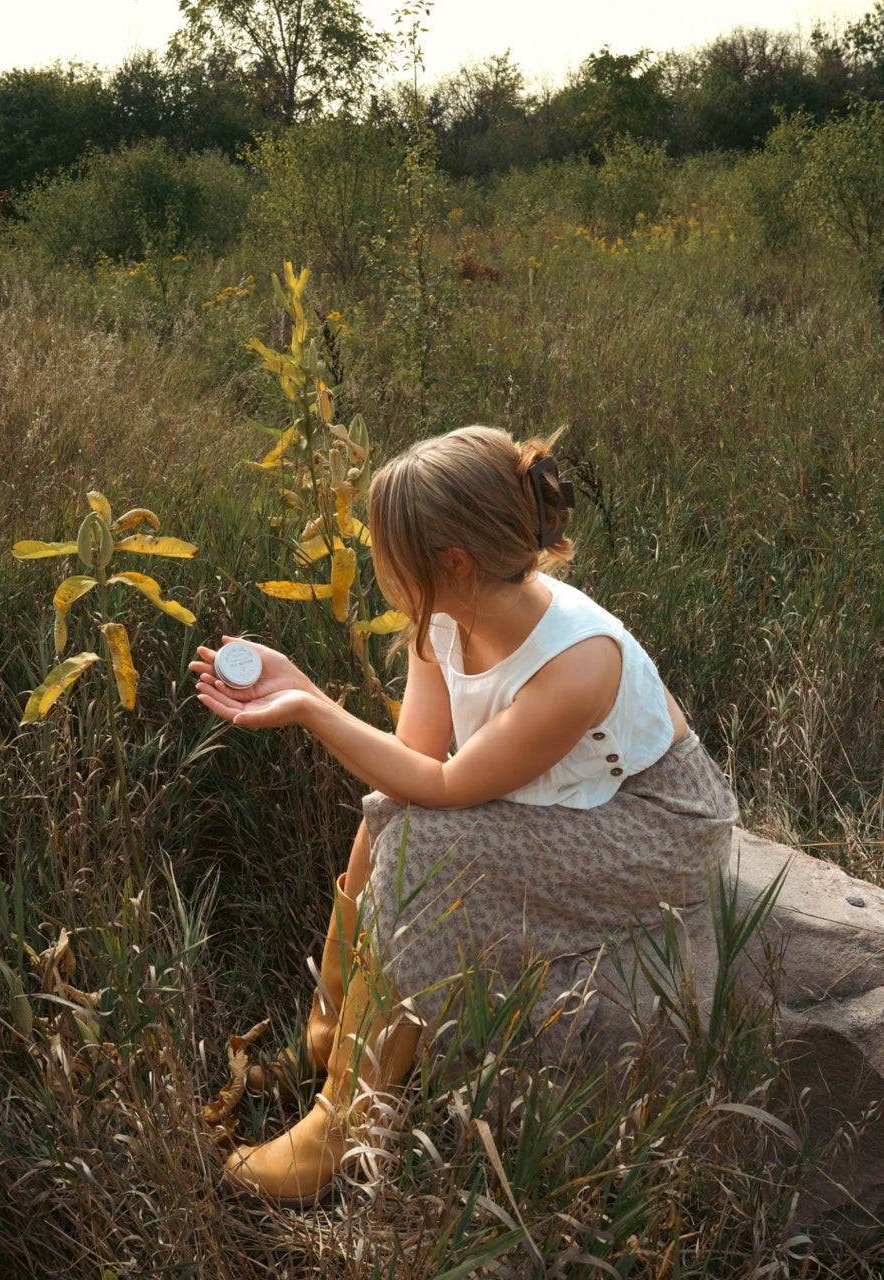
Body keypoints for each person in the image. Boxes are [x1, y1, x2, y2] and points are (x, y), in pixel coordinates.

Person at [191, 425, 738, 1205]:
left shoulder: (578, 661)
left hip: (651, 822)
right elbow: (412, 765)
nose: (382, 570)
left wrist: (311, 707)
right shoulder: (442, 618)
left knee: (422, 846)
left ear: (452, 563)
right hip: (573, 796)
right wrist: (303, 690)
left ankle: (342, 1126)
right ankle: (326, 1031)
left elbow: (446, 788)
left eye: (390, 554)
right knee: (386, 819)